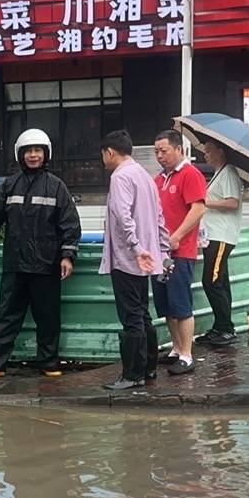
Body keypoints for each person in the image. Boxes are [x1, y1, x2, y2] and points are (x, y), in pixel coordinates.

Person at [0, 128, 81, 378]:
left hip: (45, 265)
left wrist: (67, 255)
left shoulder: (57, 187)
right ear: (20, 154)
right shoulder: (10, 185)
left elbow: (69, 224)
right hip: (15, 265)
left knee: (48, 318)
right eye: (28, 151)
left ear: (46, 154)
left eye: (37, 151)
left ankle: (48, 363)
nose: (33, 155)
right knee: (6, 316)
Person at [99, 131, 166, 392]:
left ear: (110, 152)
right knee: (142, 313)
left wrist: (136, 248)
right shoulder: (144, 176)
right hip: (145, 257)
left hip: (129, 257)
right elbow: (159, 217)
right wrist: (160, 250)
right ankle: (148, 368)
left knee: (131, 317)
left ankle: (132, 374)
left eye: (103, 154)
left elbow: (122, 216)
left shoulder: (120, 177)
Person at [151, 131, 207, 375]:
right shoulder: (159, 179)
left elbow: (198, 208)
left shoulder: (190, 174)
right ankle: (175, 348)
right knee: (166, 304)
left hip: (180, 250)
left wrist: (178, 236)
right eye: (156, 152)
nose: (160, 156)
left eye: (164, 151)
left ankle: (187, 353)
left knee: (181, 303)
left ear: (178, 149)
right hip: (160, 251)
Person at [195, 139, 244, 348]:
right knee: (220, 280)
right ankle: (221, 326)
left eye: (208, 151)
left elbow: (233, 202)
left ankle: (225, 328)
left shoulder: (229, 172)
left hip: (222, 235)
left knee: (211, 280)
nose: (205, 155)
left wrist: (205, 202)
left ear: (220, 152)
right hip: (213, 235)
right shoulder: (218, 173)